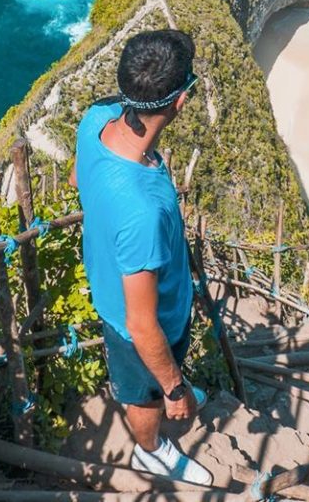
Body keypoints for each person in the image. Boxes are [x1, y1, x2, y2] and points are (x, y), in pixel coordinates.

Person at [72, 28, 213, 486]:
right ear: (180, 101)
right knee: (145, 396)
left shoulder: (96, 120)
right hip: (140, 324)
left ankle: (169, 389)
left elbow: (78, 180)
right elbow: (141, 325)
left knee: (155, 376)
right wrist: (173, 389)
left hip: (118, 283)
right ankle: (150, 451)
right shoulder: (142, 212)